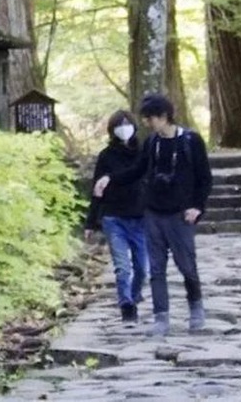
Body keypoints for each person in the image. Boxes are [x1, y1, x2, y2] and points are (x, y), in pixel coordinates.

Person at [94, 93, 212, 338]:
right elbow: (137, 170)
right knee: (156, 269)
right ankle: (161, 316)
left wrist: (197, 207)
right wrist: (109, 179)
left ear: (164, 116)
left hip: (181, 214)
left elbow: (204, 178)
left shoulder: (191, 141)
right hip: (153, 213)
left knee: (186, 266)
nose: (146, 123)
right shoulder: (151, 143)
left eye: (150, 118)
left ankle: (196, 307)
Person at [84, 110, 148, 324]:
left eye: (127, 123)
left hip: (140, 217)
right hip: (114, 218)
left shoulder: (144, 152)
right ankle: (126, 305)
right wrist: (91, 221)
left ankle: (135, 293)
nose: (124, 128)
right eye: (118, 125)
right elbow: (97, 190)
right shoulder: (106, 156)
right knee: (122, 267)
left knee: (142, 268)